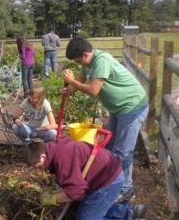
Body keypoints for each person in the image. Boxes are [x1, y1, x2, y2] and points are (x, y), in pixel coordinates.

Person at [63, 37, 149, 202]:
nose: (77, 63)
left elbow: (94, 90)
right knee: (108, 145)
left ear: (86, 54)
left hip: (132, 106)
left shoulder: (102, 61)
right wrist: (69, 91)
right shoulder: (87, 63)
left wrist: (71, 81)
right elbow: (80, 81)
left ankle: (126, 190)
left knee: (123, 151)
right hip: (118, 109)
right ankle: (110, 180)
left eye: (77, 60)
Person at [26, 138, 147, 220]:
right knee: (88, 208)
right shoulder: (54, 148)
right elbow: (73, 180)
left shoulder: (62, 160)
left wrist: (53, 198)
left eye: (36, 165)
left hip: (107, 180)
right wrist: (58, 192)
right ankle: (129, 212)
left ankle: (127, 214)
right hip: (104, 173)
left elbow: (77, 192)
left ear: (42, 156)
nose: (37, 169)